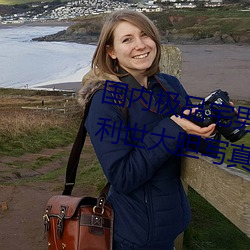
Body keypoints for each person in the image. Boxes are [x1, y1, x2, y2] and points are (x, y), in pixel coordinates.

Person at [78, 10, 217, 250]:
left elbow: (193, 146)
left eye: (145, 35)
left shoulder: (169, 85)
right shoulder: (105, 101)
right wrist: (173, 127)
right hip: (134, 236)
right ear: (111, 51)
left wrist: (212, 126)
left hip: (171, 227)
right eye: (127, 39)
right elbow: (122, 176)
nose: (140, 45)